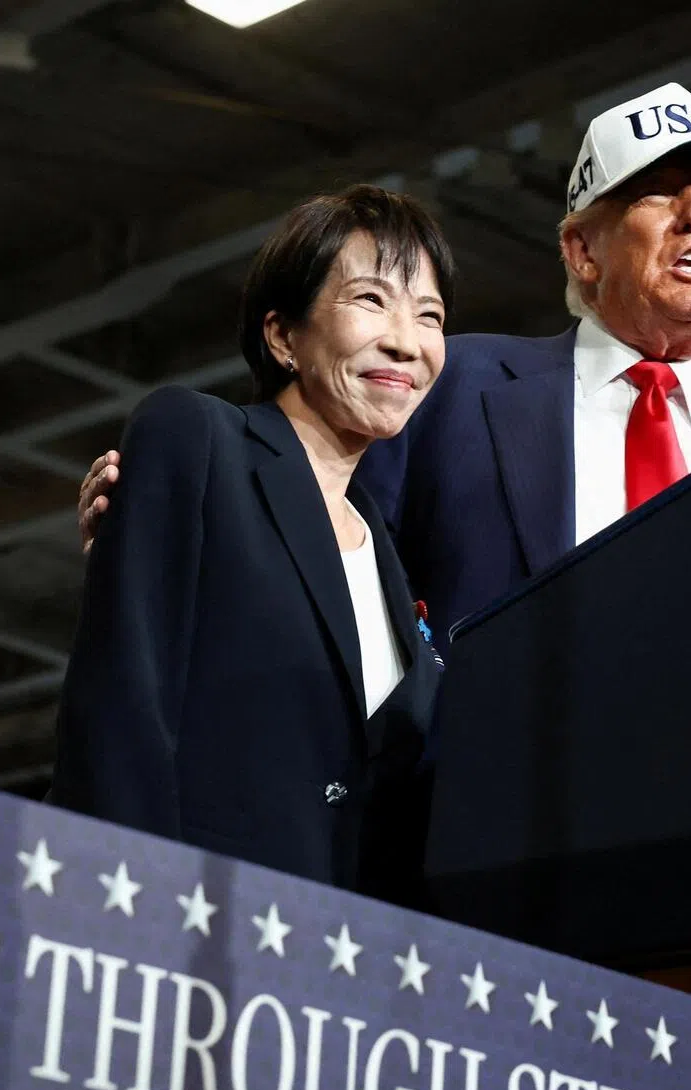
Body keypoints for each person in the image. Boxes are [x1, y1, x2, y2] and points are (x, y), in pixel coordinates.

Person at [78, 82, 691, 652]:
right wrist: (173, 556)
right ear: (582, 250)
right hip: (473, 806)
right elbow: (314, 570)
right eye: (658, 191)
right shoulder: (451, 384)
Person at [51, 185, 454, 905]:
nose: (407, 340)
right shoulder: (198, 441)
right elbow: (120, 709)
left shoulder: (387, 551)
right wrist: (117, 913)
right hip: (184, 925)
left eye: (429, 316)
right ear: (282, 336)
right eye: (372, 301)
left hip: (339, 966)